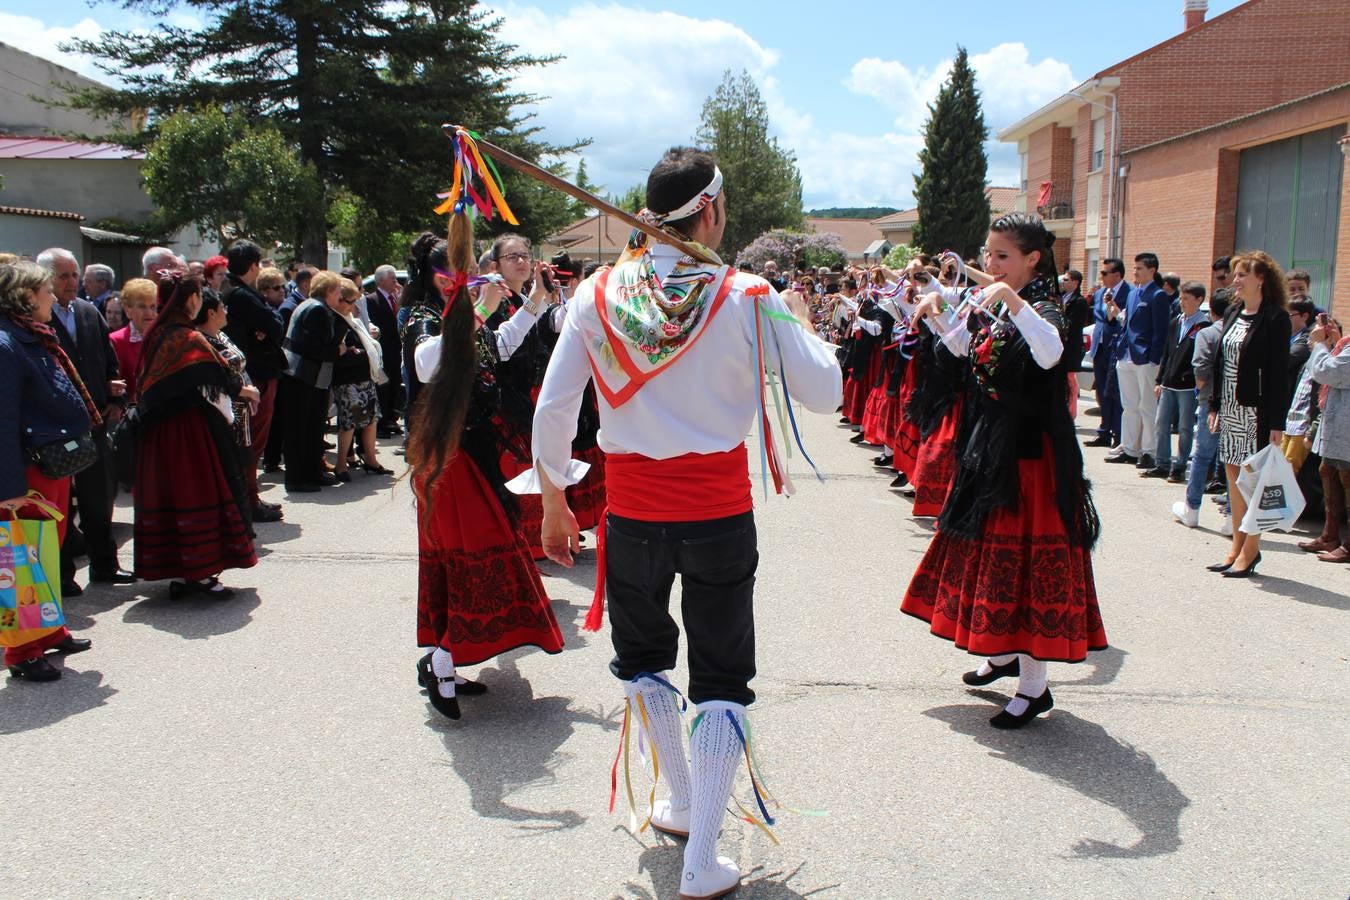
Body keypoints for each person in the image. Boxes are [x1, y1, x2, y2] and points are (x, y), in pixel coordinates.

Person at [530, 147, 841, 898]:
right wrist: (799, 321)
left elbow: (552, 408)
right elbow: (825, 393)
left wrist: (552, 500)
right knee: (721, 676)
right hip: (715, 514)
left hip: (632, 514)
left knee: (643, 658)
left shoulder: (599, 293)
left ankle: (676, 802)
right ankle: (700, 853)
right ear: (709, 210)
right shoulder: (747, 294)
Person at [903, 212, 1103, 730]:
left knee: (1025, 574)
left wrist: (1011, 301)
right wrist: (935, 316)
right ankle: (1002, 653)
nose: (991, 265)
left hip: (1032, 462)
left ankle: (1034, 688)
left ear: (1032, 260)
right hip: (992, 455)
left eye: (1002, 257)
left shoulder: (1044, 306)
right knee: (989, 564)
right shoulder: (994, 302)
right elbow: (966, 354)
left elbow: (1052, 353)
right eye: (989, 254)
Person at [406, 228, 563, 721]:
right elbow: (428, 365)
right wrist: (472, 307)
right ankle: (444, 662)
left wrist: (533, 304)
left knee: (476, 558)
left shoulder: (463, 313)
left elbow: (500, 346)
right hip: (448, 460)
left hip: (473, 453)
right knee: (471, 560)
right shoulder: (423, 317)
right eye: (462, 271)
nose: (473, 277)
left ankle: (443, 661)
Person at [0, 260, 97, 681]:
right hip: (27, 470)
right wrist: (9, 485)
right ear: (25, 298)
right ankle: (21, 650)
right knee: (21, 560)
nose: (53, 298)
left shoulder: (33, 336)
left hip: (49, 463)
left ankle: (50, 627)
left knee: (48, 549)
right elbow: (2, 420)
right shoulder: (6, 344)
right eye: (45, 291)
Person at [134, 273, 257, 597]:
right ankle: (201, 572)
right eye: (199, 296)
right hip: (189, 434)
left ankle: (185, 570)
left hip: (161, 436)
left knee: (171, 496)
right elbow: (219, 381)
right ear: (190, 300)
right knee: (198, 493)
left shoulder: (157, 334)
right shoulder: (187, 338)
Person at [36, 248, 132, 595]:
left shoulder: (89, 312)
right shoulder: (35, 317)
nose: (72, 282)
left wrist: (115, 397)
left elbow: (108, 360)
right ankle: (62, 575)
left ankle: (105, 565)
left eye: (75, 275)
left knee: (100, 494)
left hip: (94, 419)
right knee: (61, 503)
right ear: (44, 278)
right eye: (63, 276)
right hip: (56, 427)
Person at [1206, 251, 1291, 577]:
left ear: (1261, 279)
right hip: (1229, 409)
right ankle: (1236, 547)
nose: (1235, 280)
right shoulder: (1232, 312)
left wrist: (1275, 423)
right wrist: (1214, 405)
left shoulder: (1275, 319)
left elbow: (1277, 374)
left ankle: (1251, 550)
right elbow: (1221, 363)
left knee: (1252, 483)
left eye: (1242, 275)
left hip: (1255, 413)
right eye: (1235, 274)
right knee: (1233, 479)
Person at [221, 240, 286, 523]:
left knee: (251, 441)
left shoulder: (233, 291)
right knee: (252, 441)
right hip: (254, 375)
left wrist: (266, 328)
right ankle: (248, 500)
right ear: (252, 266)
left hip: (253, 371)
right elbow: (276, 323)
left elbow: (271, 325)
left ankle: (249, 495)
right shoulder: (241, 295)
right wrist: (264, 329)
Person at [279, 271, 345, 493]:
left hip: (308, 377)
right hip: (302, 377)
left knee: (312, 429)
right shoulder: (316, 309)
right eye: (337, 289)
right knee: (300, 430)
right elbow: (313, 348)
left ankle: (312, 472)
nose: (340, 294)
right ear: (328, 291)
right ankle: (298, 479)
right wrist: (338, 350)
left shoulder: (314, 306)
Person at [1172, 287, 1231, 529]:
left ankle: (1192, 508)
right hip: (1238, 405)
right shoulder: (1245, 332)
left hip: (1211, 402)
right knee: (1233, 459)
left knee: (1202, 456)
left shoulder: (1208, 333)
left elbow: (1200, 372)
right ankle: (1231, 515)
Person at [1108, 252, 1169, 470]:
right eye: (1134, 268)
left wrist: (1154, 358)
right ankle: (1130, 448)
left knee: (1147, 406)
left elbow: (1161, 331)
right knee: (1129, 406)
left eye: (1140, 268)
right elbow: (1129, 324)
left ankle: (1148, 451)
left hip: (1145, 359)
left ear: (1152, 270)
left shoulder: (1158, 295)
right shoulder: (1134, 294)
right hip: (1126, 355)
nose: (1135, 272)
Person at [1145, 281, 1208, 482]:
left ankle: (1179, 466)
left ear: (1199, 300)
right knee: (1161, 424)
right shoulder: (1176, 322)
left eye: (1187, 299)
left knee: (1185, 427)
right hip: (1168, 383)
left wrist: (1191, 376)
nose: (1182, 302)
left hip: (1188, 387)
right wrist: (1159, 379)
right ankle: (1162, 463)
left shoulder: (1204, 326)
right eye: (1181, 298)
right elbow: (1167, 353)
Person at [1300, 315, 1350, 562]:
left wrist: (1319, 344)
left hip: (1346, 430)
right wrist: (1334, 342)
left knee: (1347, 479)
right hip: (1338, 428)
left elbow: (1328, 371)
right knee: (1328, 471)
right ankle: (1330, 535)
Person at [332, 278, 392, 481]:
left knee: (371, 419)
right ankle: (340, 465)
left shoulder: (352, 320)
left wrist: (360, 352)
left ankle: (371, 459)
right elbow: (339, 354)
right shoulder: (336, 322)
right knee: (349, 423)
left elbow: (360, 347)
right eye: (350, 301)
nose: (354, 306)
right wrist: (358, 353)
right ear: (338, 299)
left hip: (365, 378)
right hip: (348, 380)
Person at [195, 290, 256, 475]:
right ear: (211, 313)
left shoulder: (222, 335)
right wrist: (248, 392)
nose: (226, 311)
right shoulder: (202, 342)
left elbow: (240, 366)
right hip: (223, 411)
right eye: (223, 307)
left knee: (244, 459)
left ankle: (251, 499)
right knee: (228, 462)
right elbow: (216, 380)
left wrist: (252, 391)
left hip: (242, 408)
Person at [1086, 260, 1129, 449]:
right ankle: (1104, 431)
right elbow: (1098, 314)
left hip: (1116, 348)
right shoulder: (1100, 294)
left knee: (1115, 393)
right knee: (1102, 391)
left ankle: (1118, 433)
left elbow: (1122, 319)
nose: (1101, 277)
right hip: (1100, 347)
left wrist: (1113, 312)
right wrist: (1108, 312)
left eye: (1104, 273)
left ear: (1117, 275)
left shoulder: (1128, 293)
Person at [365, 265, 405, 439]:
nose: (396, 282)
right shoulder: (372, 300)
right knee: (383, 387)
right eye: (392, 278)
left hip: (397, 350)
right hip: (384, 351)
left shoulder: (396, 298)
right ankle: (381, 423)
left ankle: (391, 418)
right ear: (381, 280)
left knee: (395, 384)